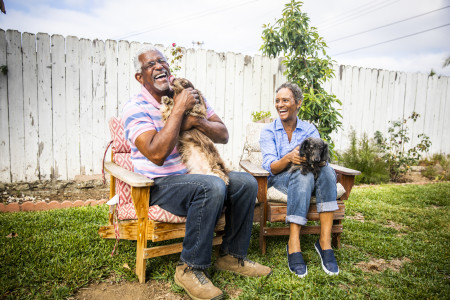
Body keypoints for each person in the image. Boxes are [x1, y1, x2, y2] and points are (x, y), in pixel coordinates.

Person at [122, 45, 271, 300]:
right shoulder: (135, 108)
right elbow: (156, 154)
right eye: (150, 65)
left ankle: (231, 257)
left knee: (245, 182)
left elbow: (223, 134)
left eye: (162, 61)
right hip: (159, 184)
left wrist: (197, 121)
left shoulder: (188, 95)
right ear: (140, 77)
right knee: (210, 186)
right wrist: (179, 112)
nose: (159, 67)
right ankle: (189, 268)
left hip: (198, 172)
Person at [259, 82, 339, 278]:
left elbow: (320, 159)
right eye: (277, 101)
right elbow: (270, 167)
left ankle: (324, 242)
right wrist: (288, 158)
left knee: (328, 172)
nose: (280, 105)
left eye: (285, 100)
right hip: (280, 180)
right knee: (302, 175)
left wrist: (315, 159)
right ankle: (293, 243)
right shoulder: (269, 131)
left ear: (298, 103)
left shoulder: (309, 129)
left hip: (311, 177)